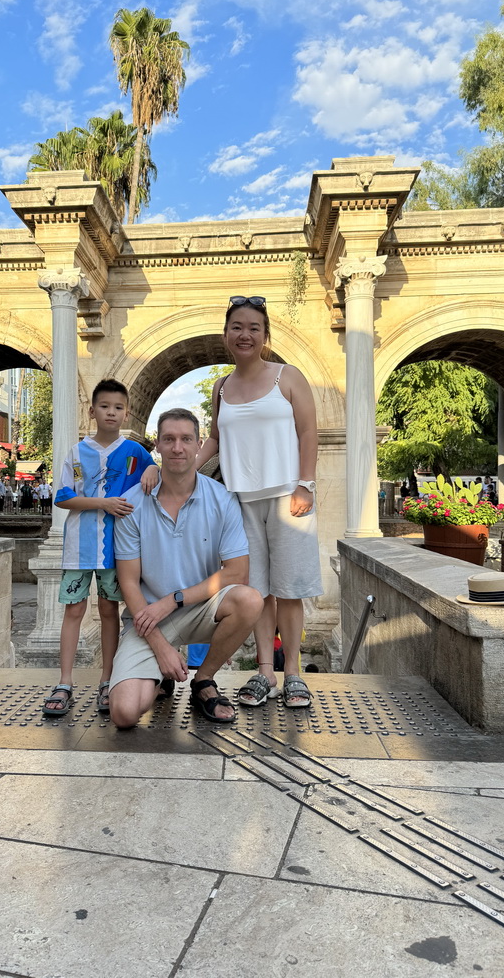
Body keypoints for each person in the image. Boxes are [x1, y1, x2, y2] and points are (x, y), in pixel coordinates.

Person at [196, 294, 323, 709]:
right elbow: (214, 438)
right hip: (240, 502)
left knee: (289, 589)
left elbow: (308, 432)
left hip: (288, 498)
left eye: (254, 327)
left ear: (265, 336)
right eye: (237, 327)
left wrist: (306, 484)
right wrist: (183, 469)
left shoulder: (287, 376)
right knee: (257, 589)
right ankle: (264, 671)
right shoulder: (221, 386)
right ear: (226, 334)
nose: (244, 334)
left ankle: (293, 675)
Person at [109, 408, 264, 729]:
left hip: (200, 608)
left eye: (185, 439)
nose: (177, 447)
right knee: (124, 714)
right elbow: (129, 584)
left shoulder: (221, 499)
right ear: (158, 446)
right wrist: (161, 648)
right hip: (149, 619)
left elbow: (237, 572)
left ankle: (203, 680)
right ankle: (160, 681)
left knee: (249, 599)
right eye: (169, 439)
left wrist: (173, 600)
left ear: (198, 445)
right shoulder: (131, 503)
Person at [42, 379, 159, 716]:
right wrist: (103, 503)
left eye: (118, 407)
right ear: (92, 411)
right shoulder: (77, 452)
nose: (111, 412)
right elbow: (63, 497)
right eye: (105, 406)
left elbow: (153, 470)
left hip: (116, 550)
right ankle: (65, 682)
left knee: (109, 612)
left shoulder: (135, 452)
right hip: (79, 547)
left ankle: (107, 680)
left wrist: (152, 467)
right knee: (74, 612)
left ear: (127, 413)